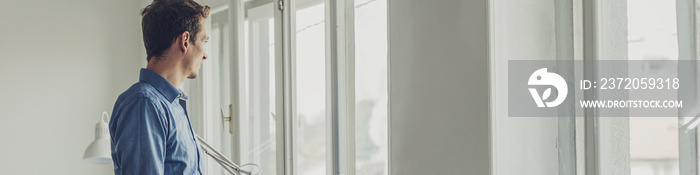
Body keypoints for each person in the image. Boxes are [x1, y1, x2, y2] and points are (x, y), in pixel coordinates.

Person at [109, 0, 210, 174]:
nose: (205, 55)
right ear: (185, 41)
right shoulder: (144, 104)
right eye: (203, 41)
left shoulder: (172, 105)